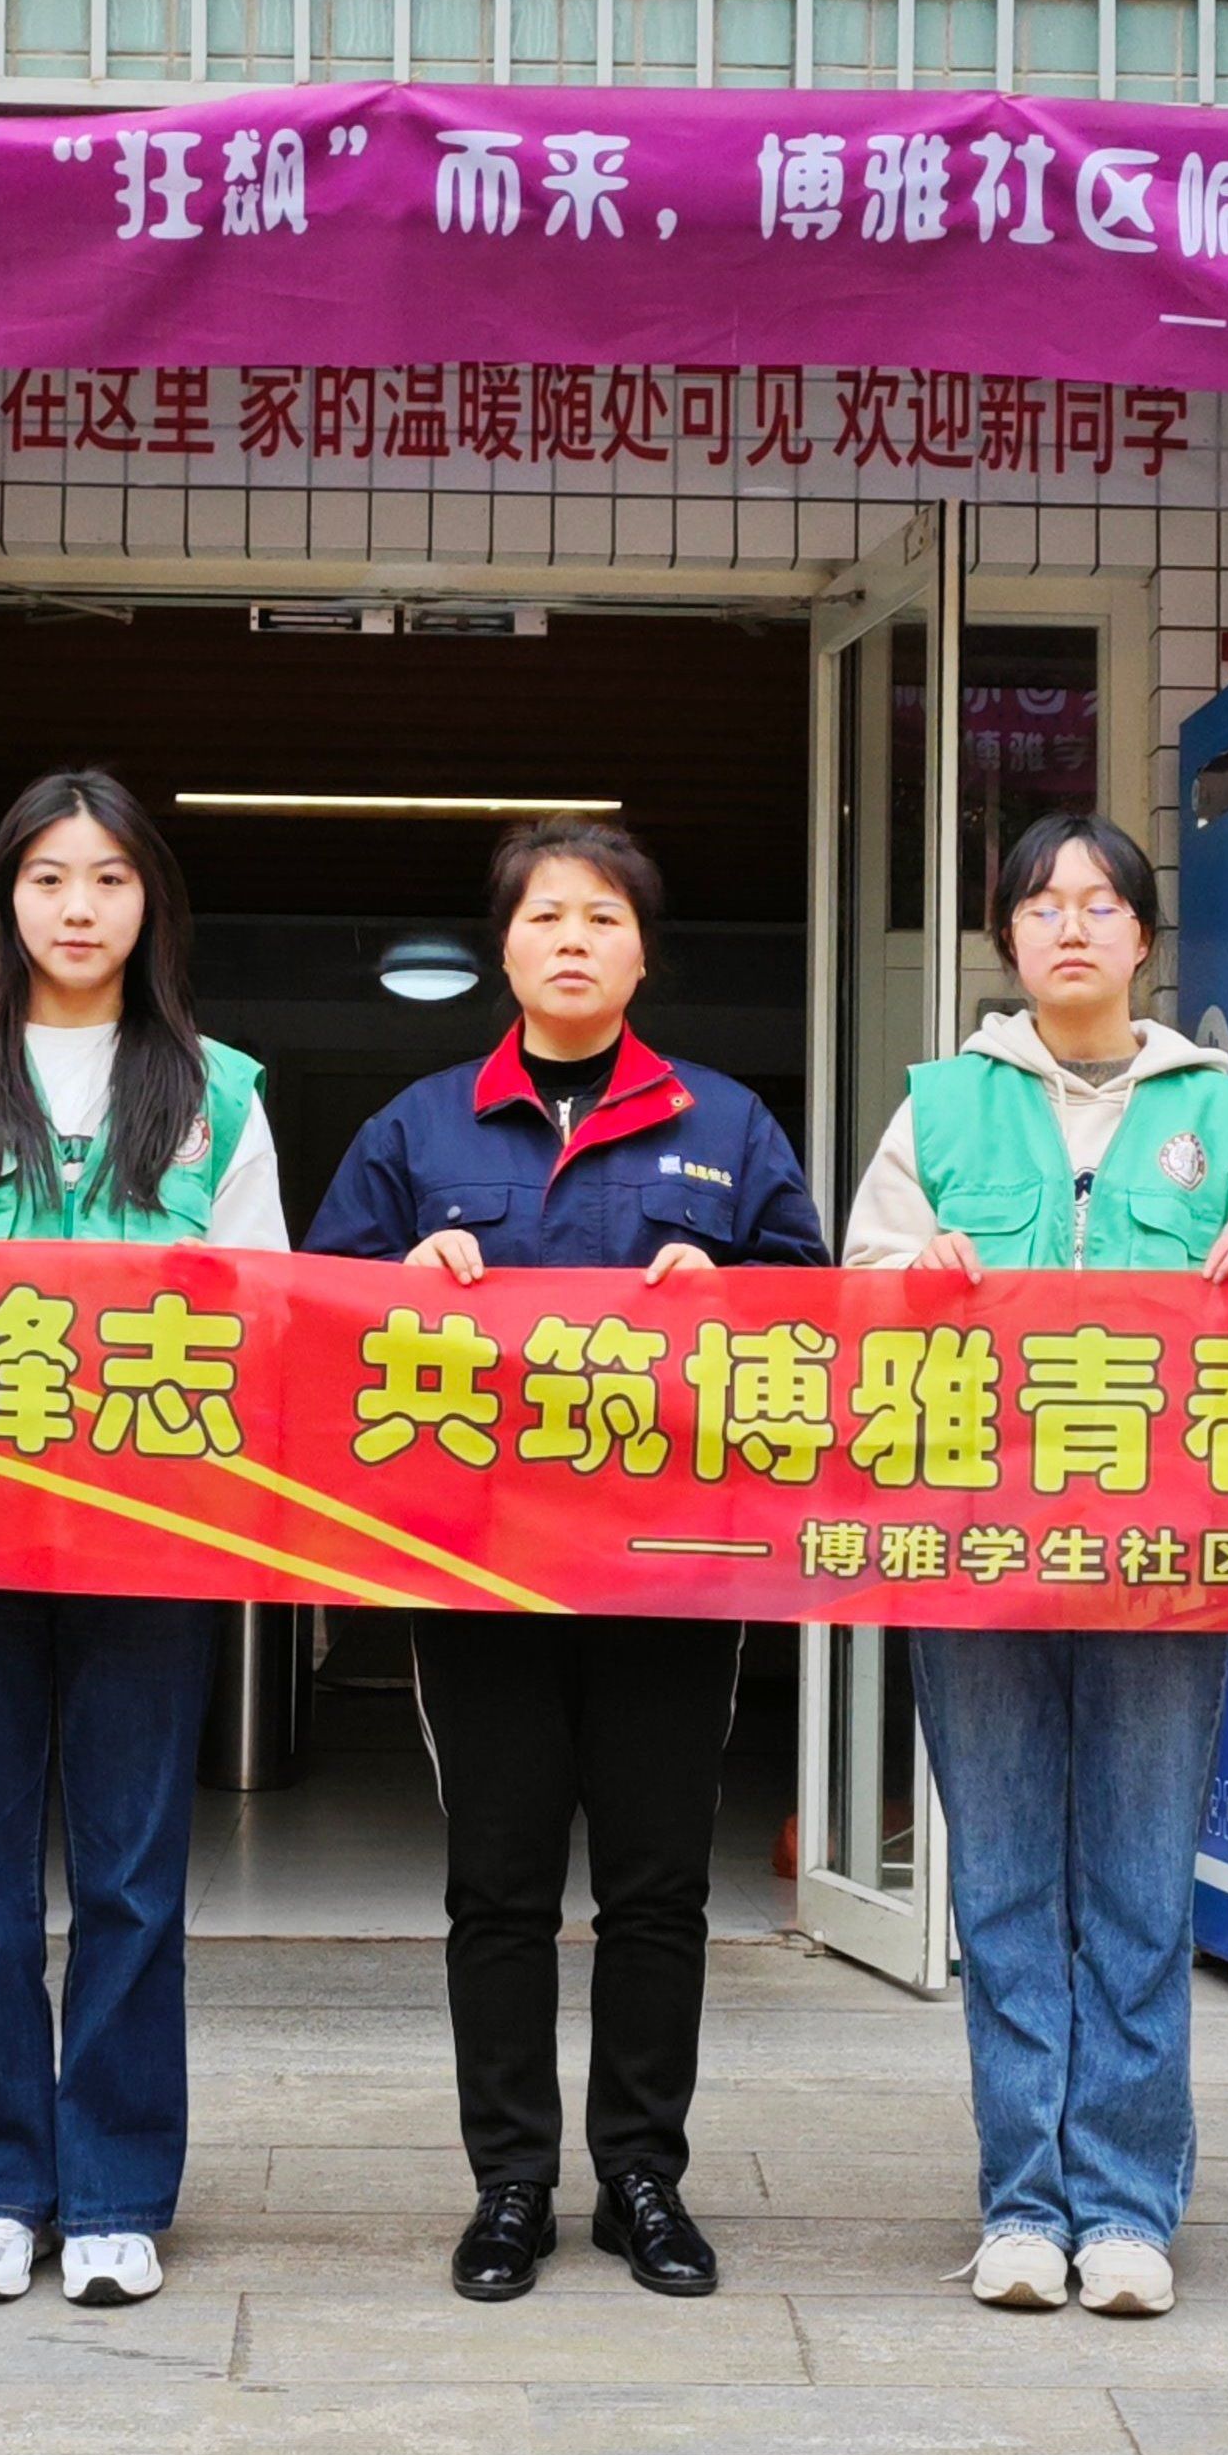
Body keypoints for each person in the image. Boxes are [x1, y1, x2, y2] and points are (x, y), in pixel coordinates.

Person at [305, 818, 826, 2303]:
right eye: (546, 915)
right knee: (499, 1884)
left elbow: (820, 1314)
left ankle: (644, 2176)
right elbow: (312, 1311)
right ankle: (513, 2184)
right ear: (507, 949)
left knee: (660, 1887)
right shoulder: (420, 1129)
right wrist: (397, 1278)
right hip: (478, 1572)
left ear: (643, 953)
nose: (574, 938)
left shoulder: (729, 1123)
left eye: (603, 915)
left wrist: (731, 1286)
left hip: (672, 1570)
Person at [841, 811, 1228, 2319]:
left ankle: (1125, 2204)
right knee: (1000, 1888)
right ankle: (1021, 2205)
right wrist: (910, 1279)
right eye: (1042, 903)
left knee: (1137, 1887)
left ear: (1143, 939)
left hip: (1169, 1561)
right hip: (976, 1556)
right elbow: (856, 1297)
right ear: (1007, 936)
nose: (1070, 924)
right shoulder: (940, 1107)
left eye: (1101, 902)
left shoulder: (1226, 1119)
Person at [0, 769, 284, 2311]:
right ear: (5, 899)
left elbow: (269, 1313)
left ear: (150, 902)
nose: (78, 907)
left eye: (108, 878)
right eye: (47, 878)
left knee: (134, 1877)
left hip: (151, 1546)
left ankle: (114, 2191)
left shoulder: (220, 1091)